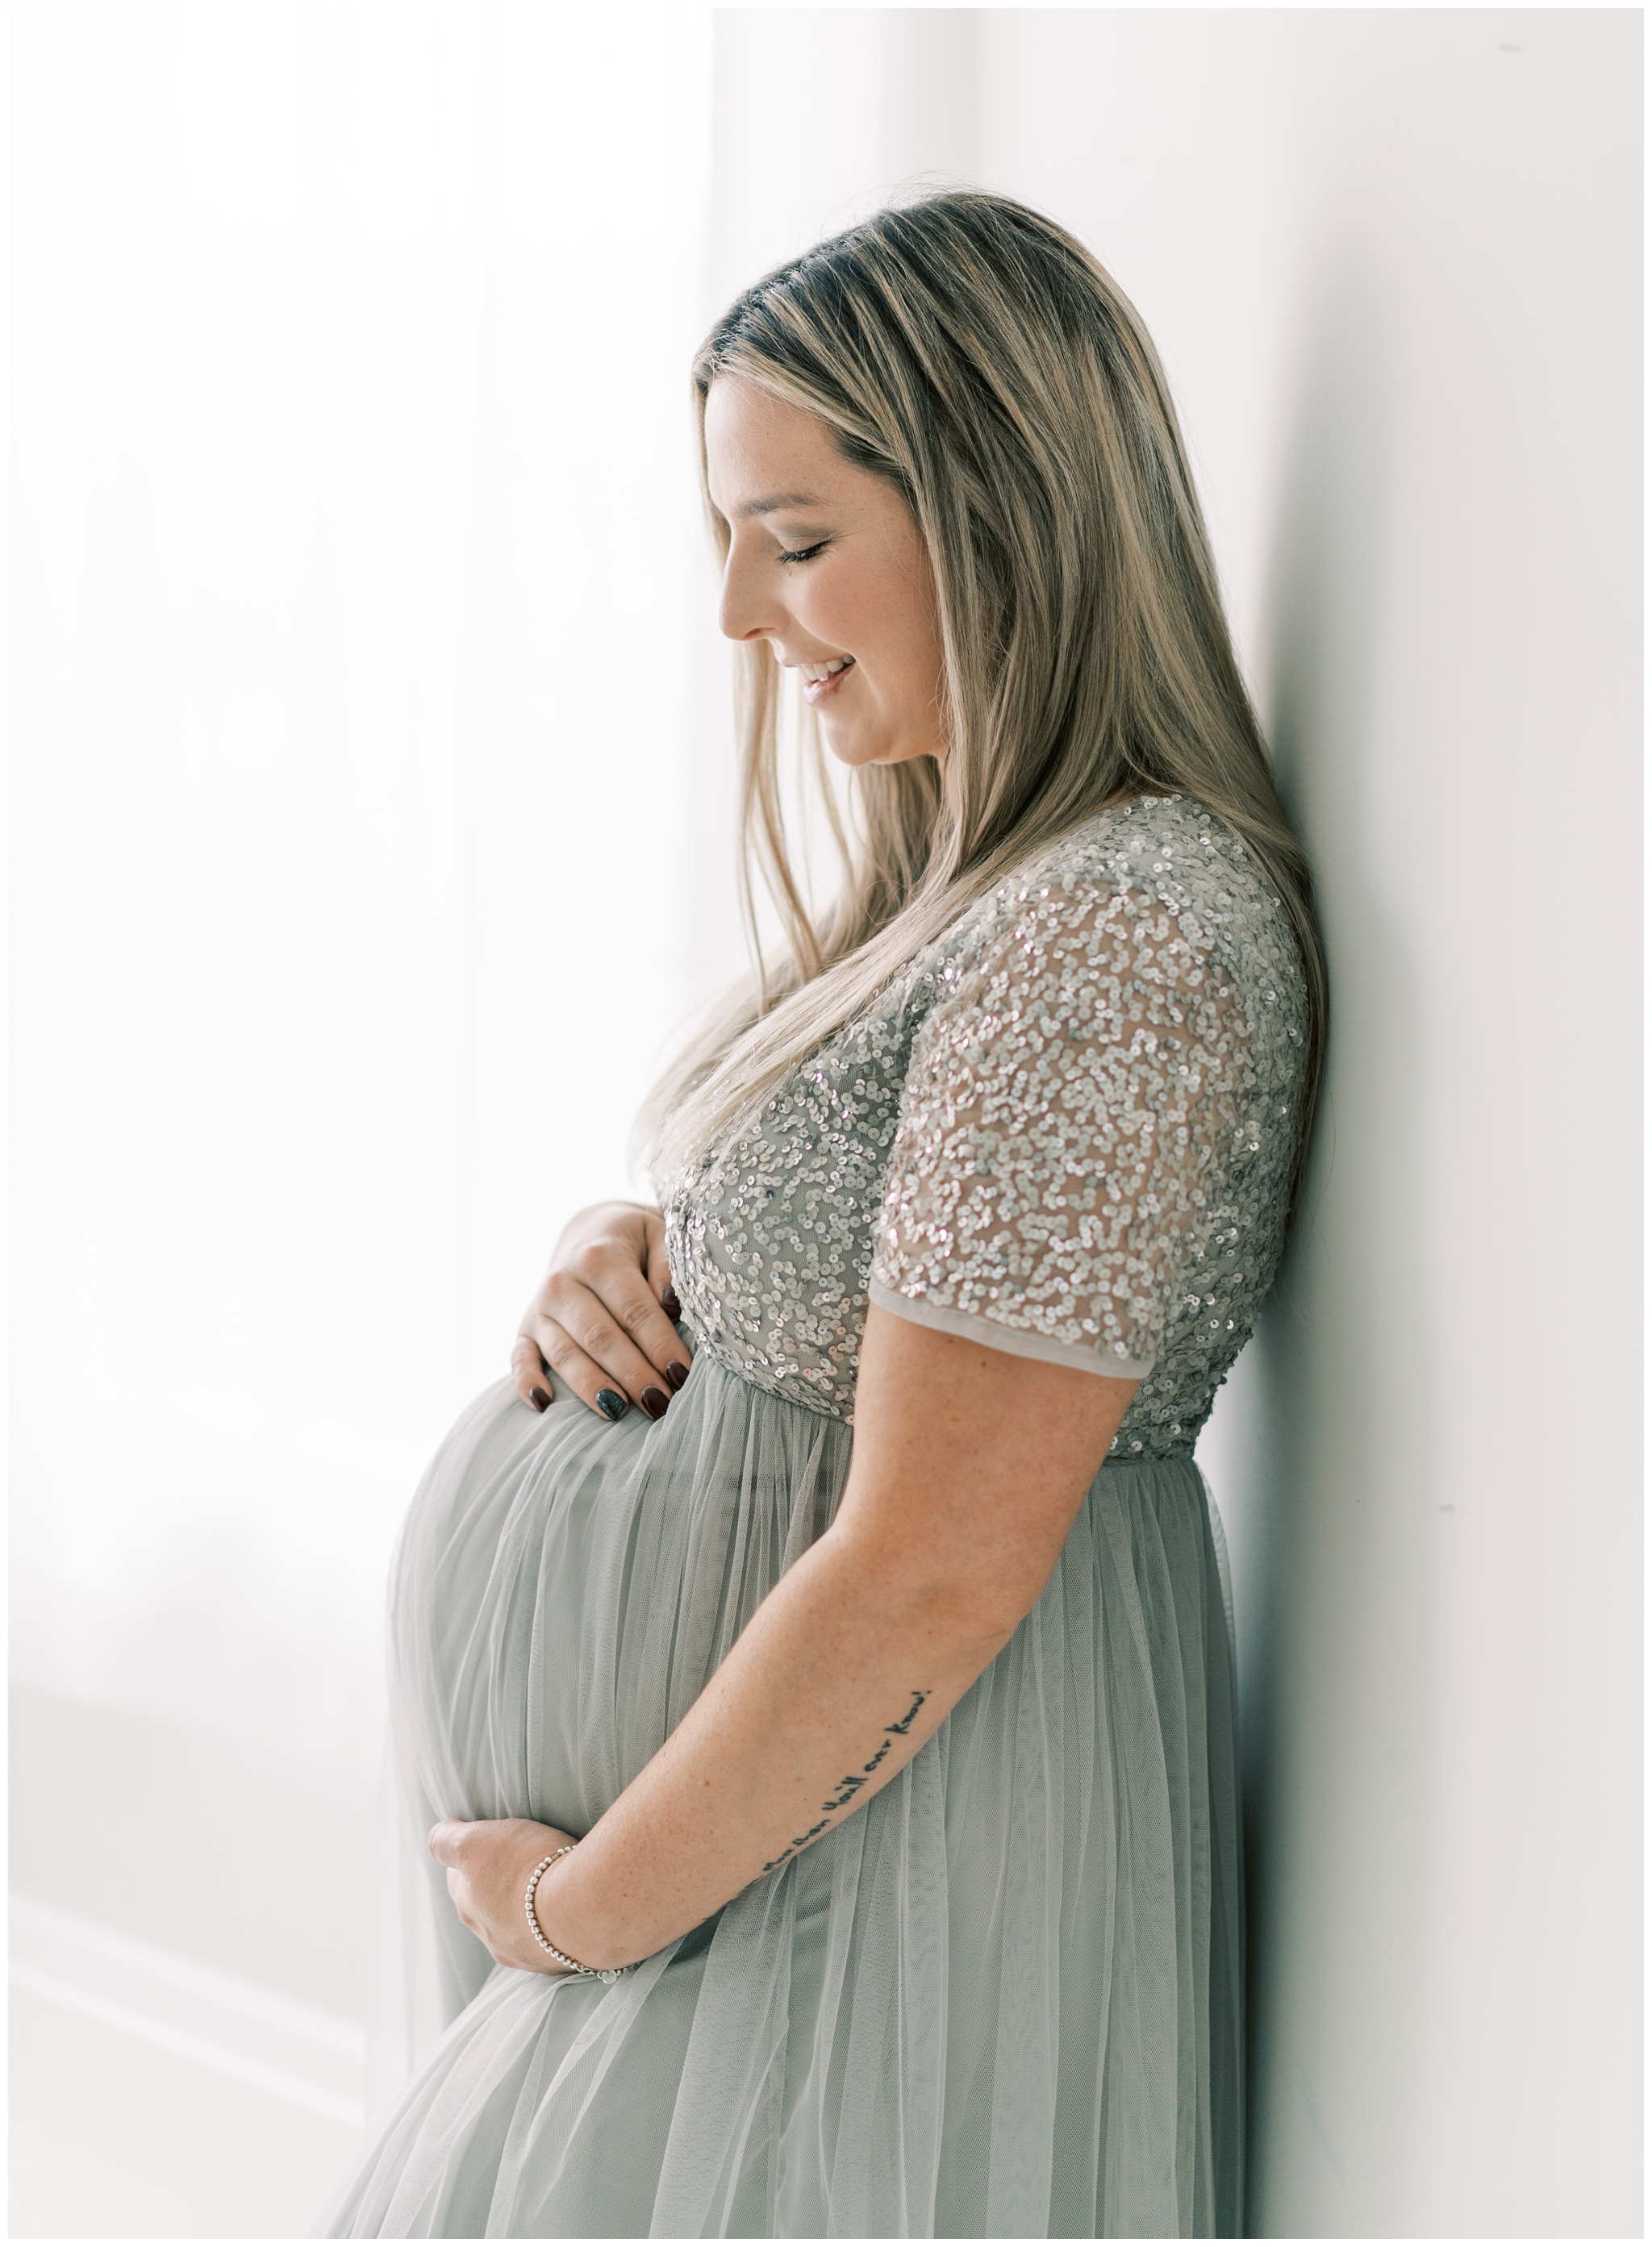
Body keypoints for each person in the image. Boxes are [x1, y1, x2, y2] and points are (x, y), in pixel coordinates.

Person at [319, 189, 1325, 2240]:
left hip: (837, 1882)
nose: (740, 620)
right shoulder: (990, 890)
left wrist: (584, 1912)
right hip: (755, 1876)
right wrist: (643, 1247)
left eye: (793, 541)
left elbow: (933, 1573)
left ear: (1004, 513)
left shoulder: (1114, 934)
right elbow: (869, 1268)